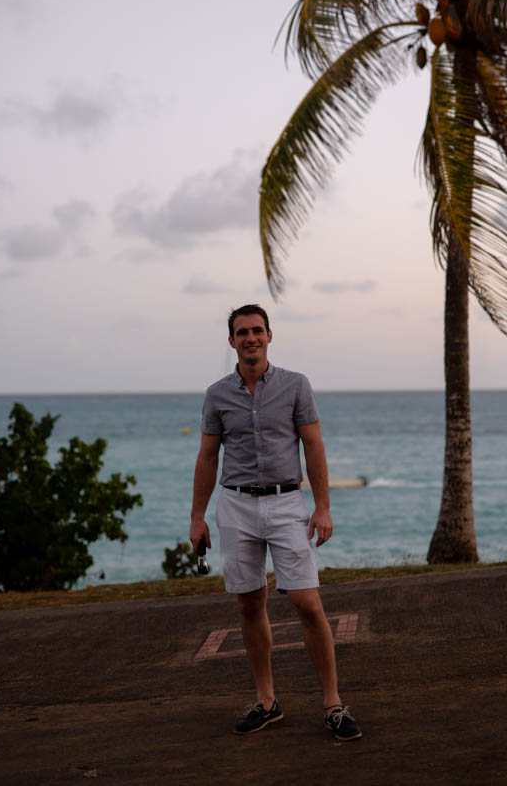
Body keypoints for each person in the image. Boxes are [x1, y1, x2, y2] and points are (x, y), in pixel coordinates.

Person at [189, 304, 361, 741]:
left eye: (257, 330)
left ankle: (333, 704)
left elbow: (314, 445)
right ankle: (266, 702)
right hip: (236, 505)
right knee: (249, 604)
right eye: (242, 332)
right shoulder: (217, 395)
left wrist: (322, 506)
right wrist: (197, 517)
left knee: (307, 602)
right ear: (232, 341)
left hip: (287, 504)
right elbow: (208, 456)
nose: (250, 338)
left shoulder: (295, 385)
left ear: (269, 335)